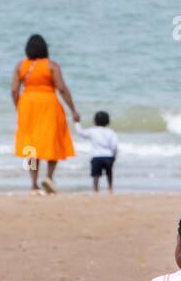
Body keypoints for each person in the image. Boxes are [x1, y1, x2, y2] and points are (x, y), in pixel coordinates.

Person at [11, 34, 78, 193]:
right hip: (49, 104)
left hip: (27, 105)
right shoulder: (51, 66)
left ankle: (33, 183)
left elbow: (14, 90)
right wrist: (73, 110)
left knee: (30, 146)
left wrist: (19, 107)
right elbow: (62, 89)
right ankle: (49, 177)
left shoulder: (20, 66)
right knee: (51, 141)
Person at [75, 110, 119, 193]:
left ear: (94, 121)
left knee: (96, 175)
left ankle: (95, 189)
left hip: (96, 157)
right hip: (108, 156)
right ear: (108, 121)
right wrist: (114, 156)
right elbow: (114, 146)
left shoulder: (92, 131)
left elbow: (81, 133)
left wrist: (77, 123)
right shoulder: (111, 132)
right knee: (109, 173)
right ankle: (110, 188)